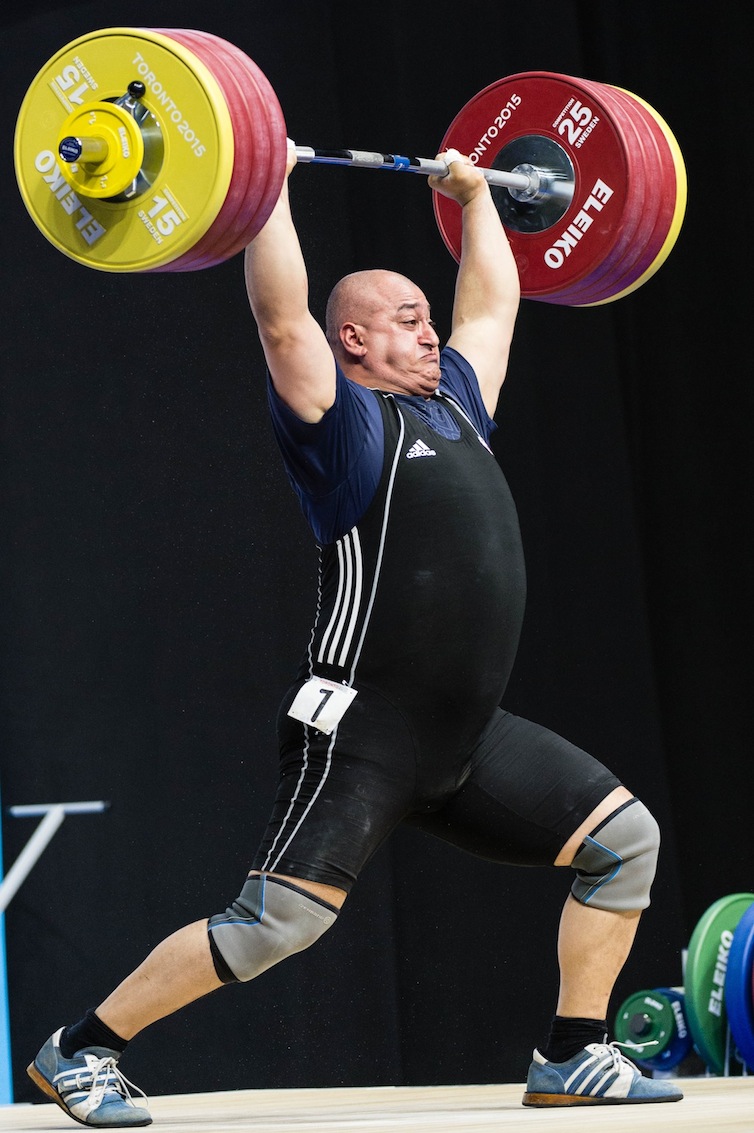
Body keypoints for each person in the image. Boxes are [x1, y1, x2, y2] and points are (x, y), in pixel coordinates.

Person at [27, 145, 683, 1128]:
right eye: (407, 320)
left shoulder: (455, 403)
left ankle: (570, 1051)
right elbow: (278, 317)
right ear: (354, 340)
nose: (430, 332)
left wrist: (474, 201)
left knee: (625, 841)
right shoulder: (343, 426)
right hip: (361, 730)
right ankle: (80, 1048)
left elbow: (492, 308)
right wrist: (266, 186)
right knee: (277, 924)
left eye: (428, 317)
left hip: (465, 737)